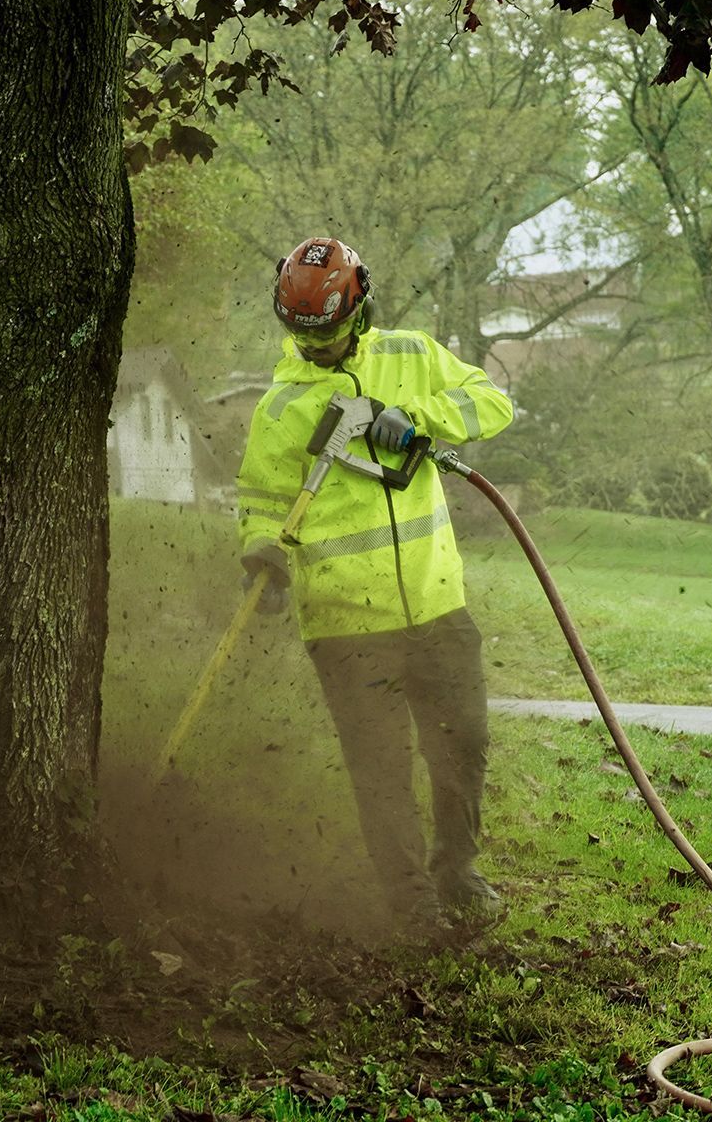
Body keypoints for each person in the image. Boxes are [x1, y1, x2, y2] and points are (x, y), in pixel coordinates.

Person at [236, 236, 513, 926]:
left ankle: (457, 871)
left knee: (465, 744)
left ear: (359, 310)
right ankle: (411, 906)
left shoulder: (412, 356)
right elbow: (263, 500)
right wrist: (262, 556)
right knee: (382, 771)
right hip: (346, 626)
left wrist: (419, 421)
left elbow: (492, 400)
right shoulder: (280, 408)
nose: (319, 346)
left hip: (437, 606)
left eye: (330, 330)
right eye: (306, 333)